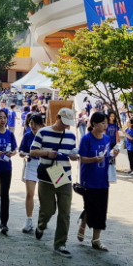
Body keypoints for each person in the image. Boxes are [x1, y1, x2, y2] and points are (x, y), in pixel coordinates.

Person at [30, 108, 78, 257]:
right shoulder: (43, 132)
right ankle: (41, 225)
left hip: (64, 176)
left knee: (65, 211)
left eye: (68, 124)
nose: (66, 126)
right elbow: (33, 151)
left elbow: (72, 152)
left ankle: (60, 244)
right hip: (46, 176)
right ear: (57, 117)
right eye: (64, 122)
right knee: (48, 209)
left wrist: (74, 156)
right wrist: (46, 153)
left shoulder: (70, 135)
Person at [77, 111, 119, 252]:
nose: (105, 125)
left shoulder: (107, 139)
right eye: (103, 123)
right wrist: (94, 159)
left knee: (101, 209)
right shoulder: (86, 139)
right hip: (88, 178)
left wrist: (113, 155)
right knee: (90, 205)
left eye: (106, 123)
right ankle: (83, 223)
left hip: (103, 179)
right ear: (94, 124)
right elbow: (82, 158)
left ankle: (96, 239)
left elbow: (107, 155)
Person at [18, 113, 45, 233]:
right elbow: (21, 150)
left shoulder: (46, 135)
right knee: (30, 194)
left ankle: (43, 218)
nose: (32, 126)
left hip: (44, 166)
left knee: (44, 196)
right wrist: (24, 154)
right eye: (31, 124)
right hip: (31, 164)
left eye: (35, 124)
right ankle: (29, 220)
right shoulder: (27, 135)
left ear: (41, 124)